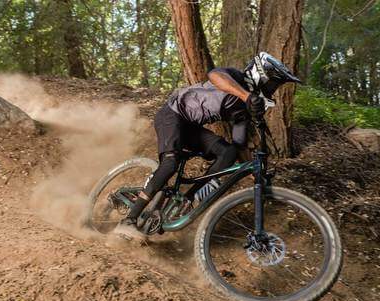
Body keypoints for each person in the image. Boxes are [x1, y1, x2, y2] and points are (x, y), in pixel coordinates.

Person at [114, 52, 301, 240]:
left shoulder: (243, 110)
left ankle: (188, 200)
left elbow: (239, 144)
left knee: (228, 152)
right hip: (172, 115)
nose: (273, 88)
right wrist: (246, 96)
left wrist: (255, 172)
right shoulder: (234, 77)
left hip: (191, 128)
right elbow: (214, 76)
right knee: (171, 163)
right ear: (260, 74)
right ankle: (129, 220)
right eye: (272, 83)